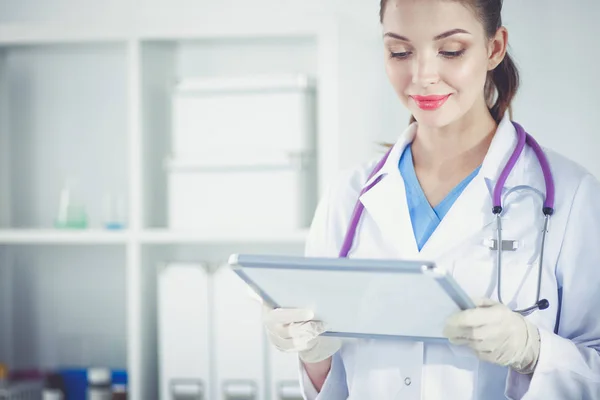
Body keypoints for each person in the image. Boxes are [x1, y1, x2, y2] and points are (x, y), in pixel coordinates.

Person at [261, 0, 600, 398]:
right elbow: (334, 385)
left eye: (450, 51)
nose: (421, 76)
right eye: (399, 52)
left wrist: (532, 351)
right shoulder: (347, 197)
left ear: (494, 48)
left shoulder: (570, 196)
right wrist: (312, 351)